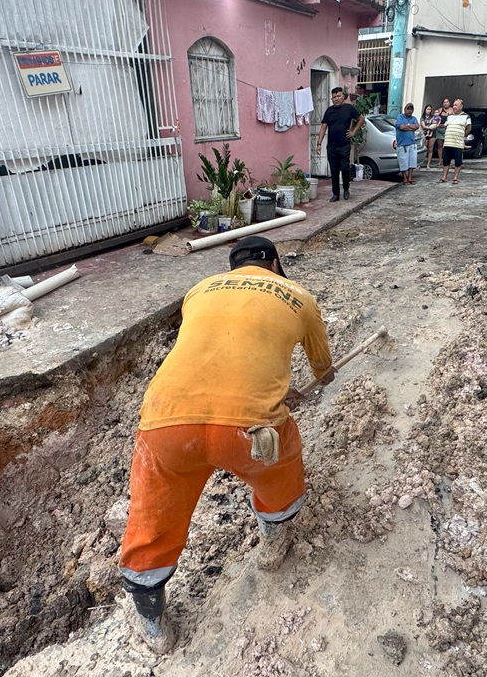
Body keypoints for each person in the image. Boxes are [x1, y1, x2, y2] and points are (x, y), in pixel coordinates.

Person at [118, 236, 336, 652]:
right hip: (250, 434)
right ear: (274, 262)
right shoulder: (298, 296)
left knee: (153, 518)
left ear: (231, 266)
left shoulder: (199, 291)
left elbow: (214, 352)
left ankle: (154, 627)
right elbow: (322, 367)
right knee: (280, 470)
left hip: (166, 425)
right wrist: (317, 381)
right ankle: (273, 544)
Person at [316, 86, 362, 201]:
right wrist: (319, 144)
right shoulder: (329, 111)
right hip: (331, 146)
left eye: (338, 96)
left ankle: (346, 189)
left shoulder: (349, 109)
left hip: (344, 145)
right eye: (334, 97)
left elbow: (361, 119)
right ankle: (335, 194)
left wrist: (353, 131)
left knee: (345, 169)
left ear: (343, 97)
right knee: (334, 170)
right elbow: (323, 127)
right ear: (332, 99)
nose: (336, 98)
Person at [439, 98, 471, 185]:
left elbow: (468, 128)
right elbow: (446, 126)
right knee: (446, 161)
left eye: (456, 105)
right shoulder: (449, 116)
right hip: (448, 142)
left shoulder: (466, 116)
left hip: (458, 143)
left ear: (461, 106)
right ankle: (444, 177)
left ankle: (455, 177)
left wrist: (462, 136)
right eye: (453, 105)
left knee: (458, 161)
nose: (454, 107)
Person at [394, 103, 420, 185]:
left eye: (411, 109)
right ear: (405, 109)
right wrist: (410, 126)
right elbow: (401, 127)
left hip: (412, 143)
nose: (410, 111)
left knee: (412, 162)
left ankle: (410, 177)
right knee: (403, 162)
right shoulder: (400, 117)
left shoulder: (414, 118)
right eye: (408, 109)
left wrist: (407, 125)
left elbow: (417, 126)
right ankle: (404, 178)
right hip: (402, 144)